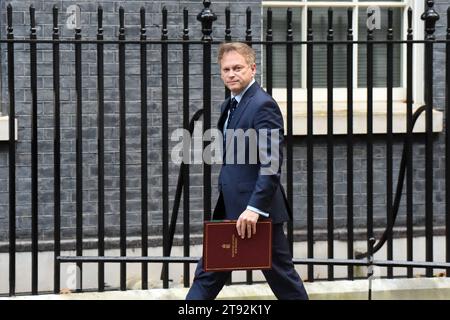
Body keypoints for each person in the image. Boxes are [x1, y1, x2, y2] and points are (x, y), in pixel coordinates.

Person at [186, 42, 309, 300]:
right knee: (208, 274)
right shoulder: (228, 106)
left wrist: (255, 208)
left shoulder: (263, 105)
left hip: (257, 215)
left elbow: (271, 163)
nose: (232, 74)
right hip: (230, 208)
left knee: (284, 282)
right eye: (226, 69)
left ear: (252, 69)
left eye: (238, 68)